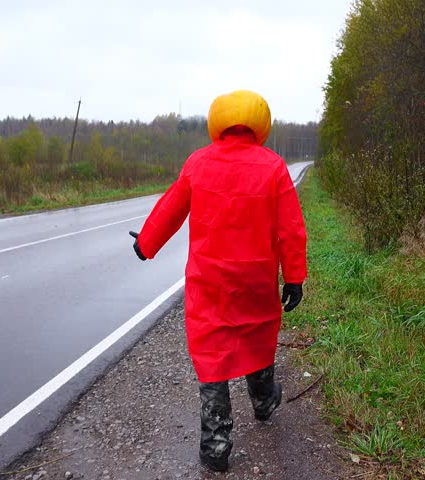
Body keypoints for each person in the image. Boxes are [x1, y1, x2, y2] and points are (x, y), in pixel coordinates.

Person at [128, 90, 307, 472]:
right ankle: (263, 403)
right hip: (256, 277)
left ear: (218, 123)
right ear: (259, 124)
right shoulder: (274, 166)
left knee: (212, 353)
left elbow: (172, 207)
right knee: (258, 336)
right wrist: (294, 278)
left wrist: (146, 243)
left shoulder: (198, 163)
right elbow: (291, 228)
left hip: (209, 280)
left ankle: (216, 444)